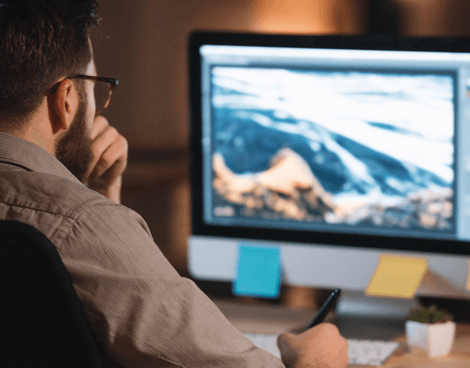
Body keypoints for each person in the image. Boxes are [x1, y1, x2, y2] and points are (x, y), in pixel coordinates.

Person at [0, 1, 349, 367]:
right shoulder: (79, 225)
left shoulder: (71, 223)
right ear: (66, 100)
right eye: (94, 87)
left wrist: (101, 200)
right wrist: (319, 359)